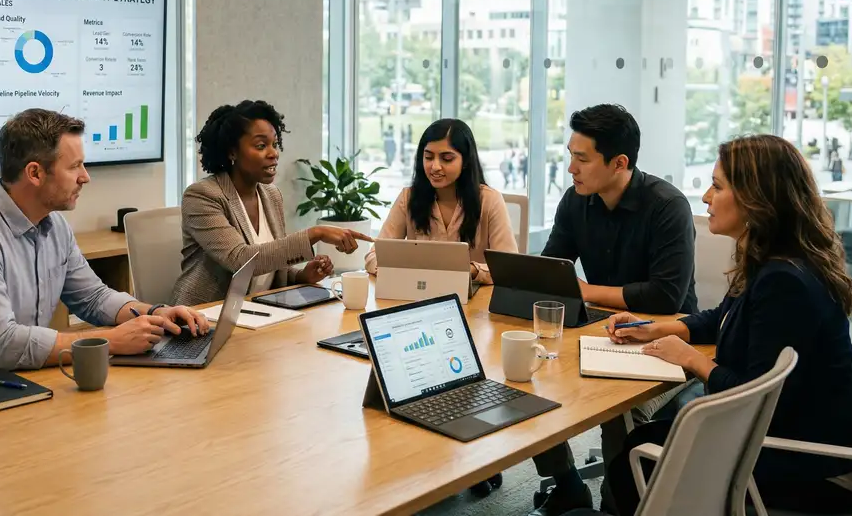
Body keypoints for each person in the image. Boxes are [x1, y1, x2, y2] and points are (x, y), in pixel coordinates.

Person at [600, 134, 852, 515]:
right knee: (643, 442)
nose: (706, 198)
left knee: (638, 460)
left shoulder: (784, 282)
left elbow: (755, 396)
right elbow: (724, 317)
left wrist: (692, 360)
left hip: (819, 467)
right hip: (802, 440)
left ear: (756, 200)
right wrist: (658, 329)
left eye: (717, 186)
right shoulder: (776, 260)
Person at [0, 109, 211, 370]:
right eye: (75, 166)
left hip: (14, 377)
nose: (85, 177)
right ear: (35, 173)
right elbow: (0, 346)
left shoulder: (54, 226)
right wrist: (109, 341)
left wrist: (155, 313)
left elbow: (93, 298)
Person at [528, 103, 698, 516]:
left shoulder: (667, 206)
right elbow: (554, 268)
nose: (571, 168)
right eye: (570, 156)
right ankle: (568, 484)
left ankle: (616, 508)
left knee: (621, 406)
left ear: (619, 163)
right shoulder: (576, 201)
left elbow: (665, 296)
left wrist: (588, 291)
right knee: (526, 377)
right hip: (601, 330)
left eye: (582, 159)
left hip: (667, 338)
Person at [171, 100, 372, 306]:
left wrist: (301, 276)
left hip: (259, 310)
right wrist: (315, 234)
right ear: (232, 152)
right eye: (261, 146)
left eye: (275, 144)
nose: (273, 153)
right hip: (203, 314)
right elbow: (241, 261)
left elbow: (269, 266)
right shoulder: (202, 196)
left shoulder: (271, 195)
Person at [364, 119, 517, 285]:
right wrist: (396, 270)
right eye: (428, 157)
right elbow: (373, 256)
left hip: (474, 298)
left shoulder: (489, 200)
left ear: (465, 161)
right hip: (419, 293)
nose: (435, 166)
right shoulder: (408, 198)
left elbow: (509, 267)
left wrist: (472, 270)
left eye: (447, 159)